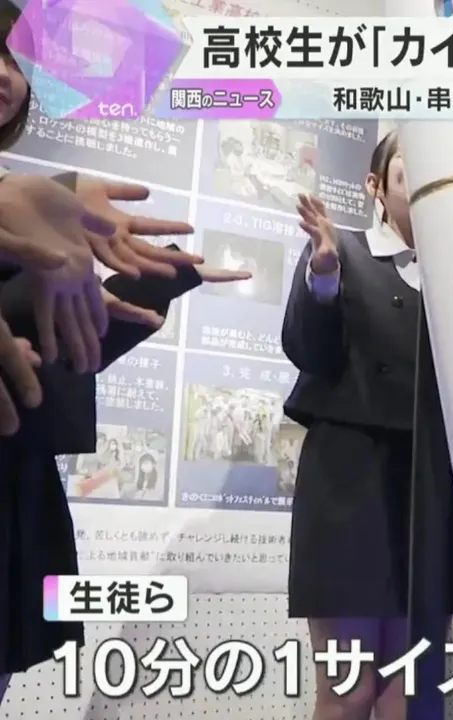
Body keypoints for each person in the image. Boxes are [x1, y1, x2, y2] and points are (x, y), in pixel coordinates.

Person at [0, 0, 249, 696]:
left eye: (11, 59)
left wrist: (153, 287)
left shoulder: (31, 206)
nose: (5, 75)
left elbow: (38, 358)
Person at [283, 129, 453, 720]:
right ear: (376, 185)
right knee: (348, 694)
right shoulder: (341, 250)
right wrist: (323, 276)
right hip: (349, 486)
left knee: (410, 695)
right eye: (411, 167)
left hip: (432, 489)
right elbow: (307, 351)